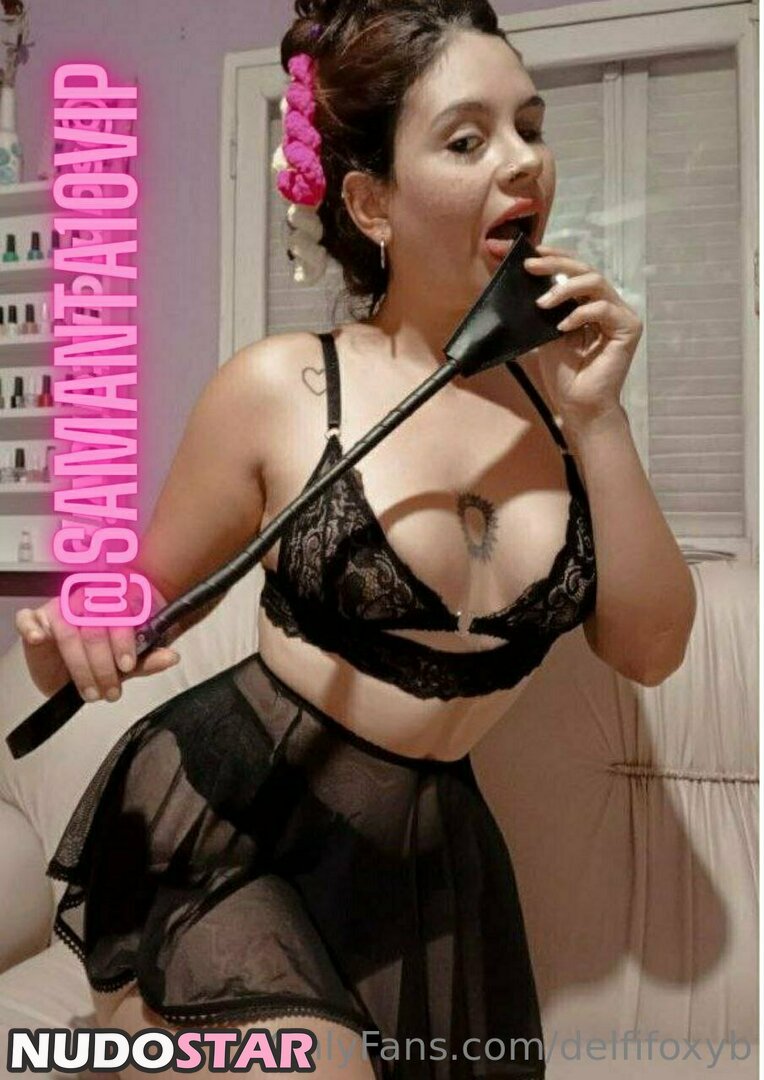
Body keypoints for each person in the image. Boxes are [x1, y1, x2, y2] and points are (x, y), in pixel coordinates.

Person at [14, 2, 696, 1077]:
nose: (523, 161)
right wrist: (73, 635)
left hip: (424, 853)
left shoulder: (570, 406)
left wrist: (600, 416)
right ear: (372, 202)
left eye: (529, 125)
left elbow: (650, 652)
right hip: (228, 824)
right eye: (467, 139)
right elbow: (127, 603)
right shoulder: (282, 388)